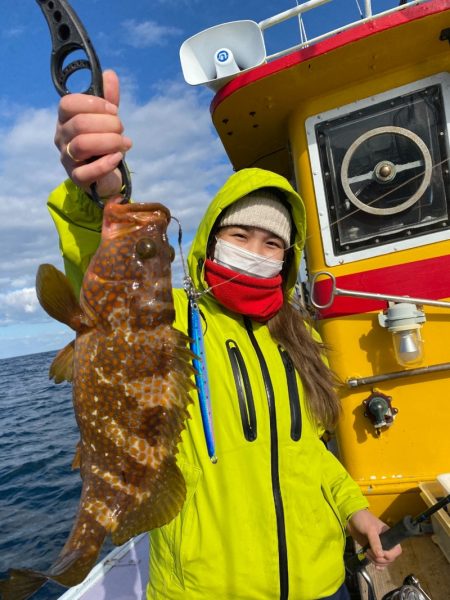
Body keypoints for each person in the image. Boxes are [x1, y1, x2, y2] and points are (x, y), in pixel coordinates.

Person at [48, 70, 401, 600]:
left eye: (271, 245)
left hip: (323, 583)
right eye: (239, 235)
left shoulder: (297, 340)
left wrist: (357, 512)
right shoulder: (169, 321)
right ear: (210, 244)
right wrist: (97, 191)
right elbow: (106, 285)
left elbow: (306, 453)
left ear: (287, 261)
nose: (254, 254)